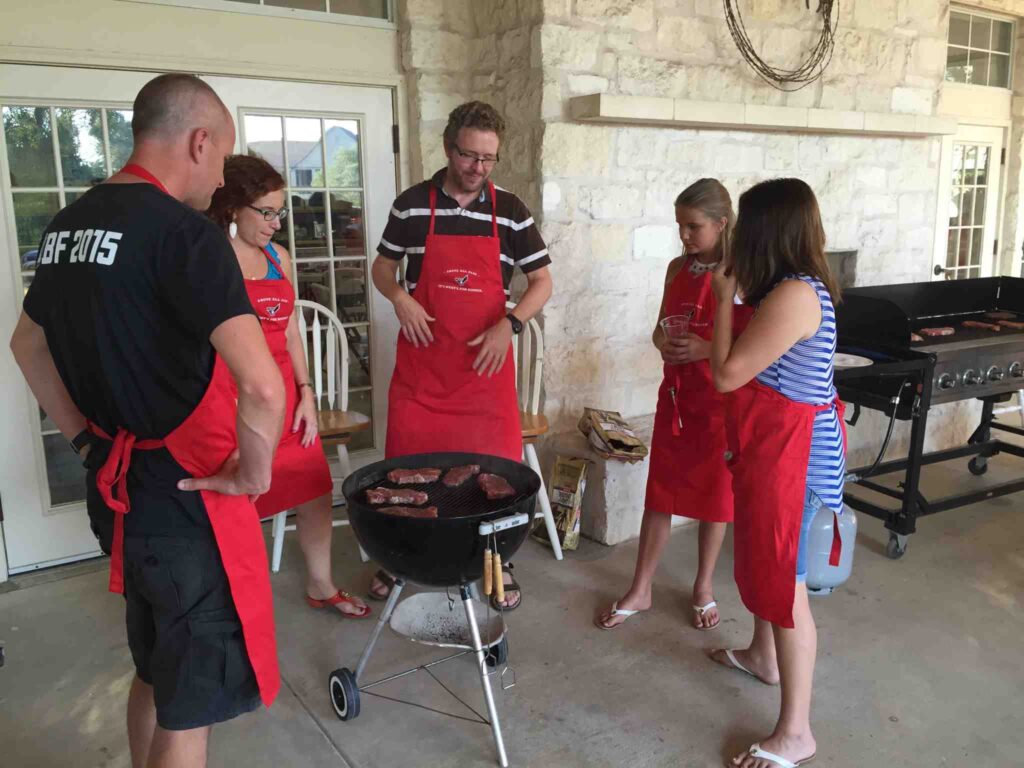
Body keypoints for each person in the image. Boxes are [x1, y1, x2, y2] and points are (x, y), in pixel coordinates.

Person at [9, 74, 286, 768]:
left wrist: (81, 438)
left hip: (117, 488)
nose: (220, 176)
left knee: (157, 665)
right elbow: (261, 385)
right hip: (188, 499)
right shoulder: (186, 236)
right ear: (199, 141)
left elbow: (26, 344)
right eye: (221, 158)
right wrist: (251, 476)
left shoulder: (68, 225)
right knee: (190, 706)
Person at [370, 101, 553, 609]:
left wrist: (511, 324)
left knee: (494, 480)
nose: (478, 168)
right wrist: (400, 297)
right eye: (470, 156)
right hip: (423, 376)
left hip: (483, 377)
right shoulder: (412, 204)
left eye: (488, 159)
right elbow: (382, 268)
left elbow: (542, 282)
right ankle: (399, 557)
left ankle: (498, 560)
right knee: (405, 473)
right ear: (450, 149)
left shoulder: (511, 211)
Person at [709, 178, 846, 768]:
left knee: (789, 592)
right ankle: (764, 658)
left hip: (799, 465)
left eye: (744, 223)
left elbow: (727, 374)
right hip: (777, 452)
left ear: (767, 230)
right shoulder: (789, 290)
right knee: (768, 563)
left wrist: (722, 300)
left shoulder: (794, 295)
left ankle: (796, 733)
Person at [207, 154, 370, 619]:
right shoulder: (212, 259)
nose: (276, 223)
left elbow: (292, 328)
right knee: (236, 501)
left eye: (281, 211)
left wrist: (306, 391)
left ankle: (321, 585)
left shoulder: (279, 258)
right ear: (234, 206)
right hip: (235, 399)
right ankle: (231, 604)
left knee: (314, 488)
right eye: (266, 212)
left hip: (286, 395)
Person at [595, 179, 752, 631]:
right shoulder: (674, 269)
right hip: (678, 398)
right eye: (680, 225)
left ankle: (702, 586)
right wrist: (665, 342)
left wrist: (705, 349)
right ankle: (641, 587)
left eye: (693, 226)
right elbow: (658, 328)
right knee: (660, 494)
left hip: (720, 402)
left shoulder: (743, 273)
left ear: (722, 224)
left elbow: (753, 342)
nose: (684, 235)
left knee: (715, 500)